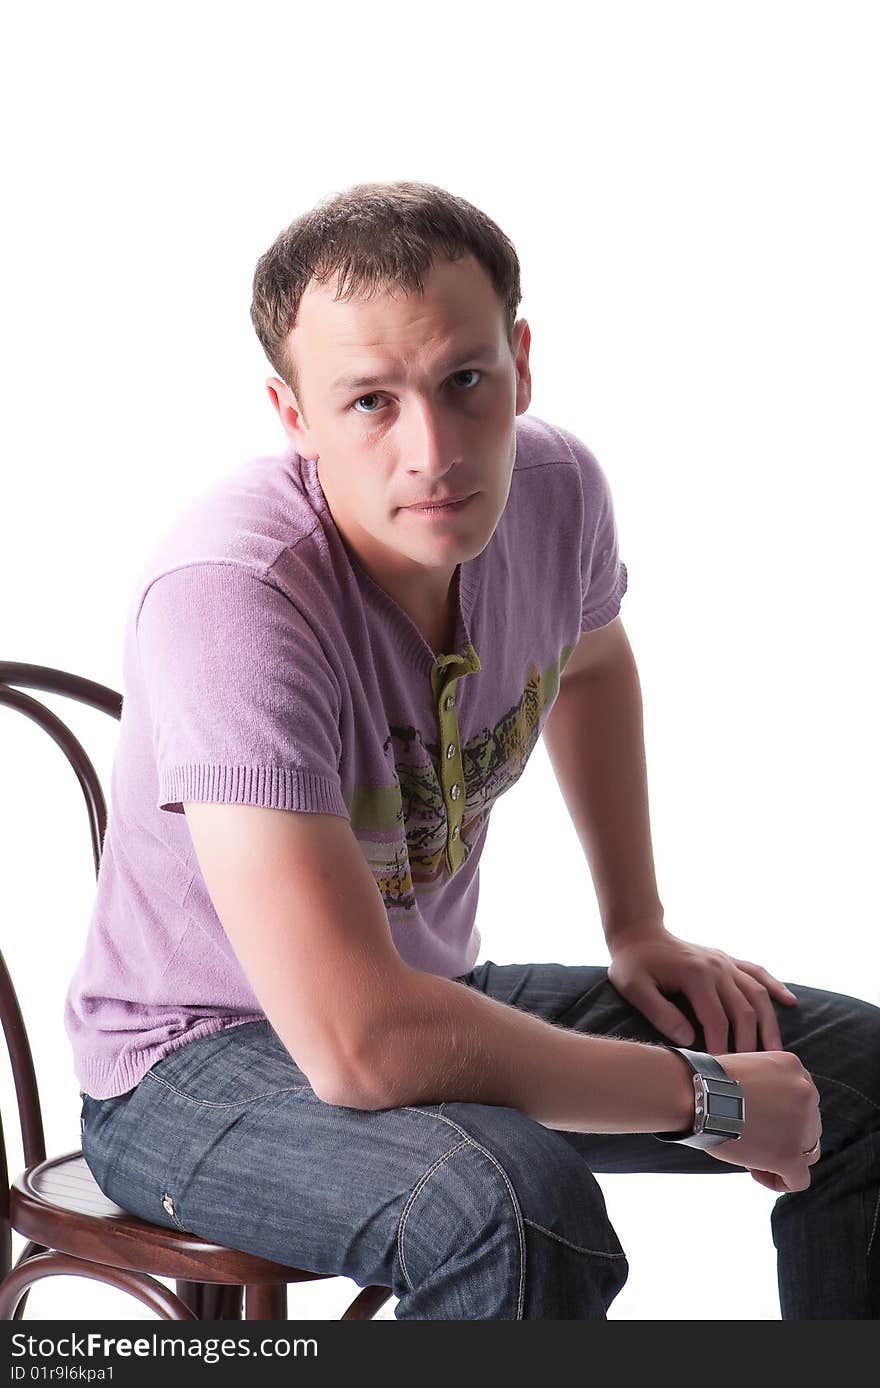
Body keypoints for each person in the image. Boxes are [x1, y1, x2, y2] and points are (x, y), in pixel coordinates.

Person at [68, 179, 879, 1320]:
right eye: (368, 402)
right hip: (191, 1066)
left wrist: (635, 923)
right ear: (292, 414)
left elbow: (591, 664)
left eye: (464, 381)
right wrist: (703, 1094)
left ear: (521, 363)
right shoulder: (233, 595)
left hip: (418, 996)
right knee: (511, 1204)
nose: (433, 451)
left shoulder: (554, 491)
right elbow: (358, 1046)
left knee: (864, 1080)